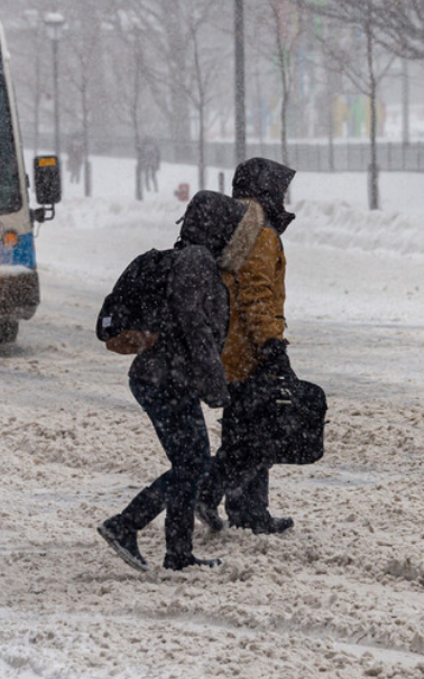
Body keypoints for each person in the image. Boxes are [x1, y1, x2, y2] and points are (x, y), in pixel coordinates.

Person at [97, 190, 263, 572]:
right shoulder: (196, 263)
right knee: (193, 466)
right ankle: (126, 524)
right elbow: (197, 331)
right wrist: (216, 388)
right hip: (166, 380)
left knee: (190, 464)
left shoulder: (174, 260)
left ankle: (178, 553)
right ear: (219, 229)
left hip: (161, 379)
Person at [195, 157, 298, 535]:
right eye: (280, 191)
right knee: (255, 436)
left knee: (245, 430)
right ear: (265, 191)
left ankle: (247, 509)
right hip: (248, 350)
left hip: (229, 346)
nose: (284, 199)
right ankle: (211, 492)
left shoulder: (237, 227)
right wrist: (272, 344)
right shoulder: (260, 234)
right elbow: (256, 295)